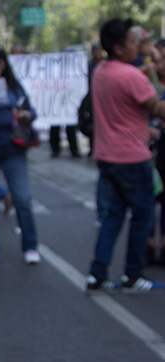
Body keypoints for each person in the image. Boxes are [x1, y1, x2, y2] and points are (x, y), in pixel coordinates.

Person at [86, 18, 165, 294]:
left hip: (107, 154)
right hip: (131, 156)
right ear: (119, 48)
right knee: (142, 214)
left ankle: (98, 274)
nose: (139, 46)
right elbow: (157, 108)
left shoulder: (102, 71)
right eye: (134, 42)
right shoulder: (130, 75)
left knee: (113, 216)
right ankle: (133, 274)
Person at [0, 44, 41, 266]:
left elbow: (31, 112)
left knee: (22, 198)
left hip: (13, 147)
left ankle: (30, 246)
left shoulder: (14, 87)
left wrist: (24, 115)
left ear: (4, 64)